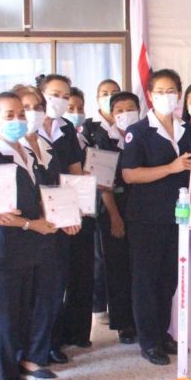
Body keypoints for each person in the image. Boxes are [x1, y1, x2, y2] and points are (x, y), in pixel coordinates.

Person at [0, 91, 57, 380]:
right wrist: (31, 224)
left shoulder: (24, 150)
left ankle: (15, 373)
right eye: (9, 116)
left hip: (29, 248)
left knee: (20, 315)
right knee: (4, 319)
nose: (17, 120)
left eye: (20, 114)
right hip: (4, 250)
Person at [120, 69, 191, 366]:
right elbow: (130, 174)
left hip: (178, 216)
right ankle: (149, 341)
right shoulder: (138, 131)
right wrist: (171, 168)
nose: (167, 96)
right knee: (146, 280)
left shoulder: (186, 129)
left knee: (169, 278)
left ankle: (163, 333)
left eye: (172, 91)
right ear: (150, 95)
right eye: (160, 91)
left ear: (179, 94)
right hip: (147, 217)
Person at [14, 84, 80, 380]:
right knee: (28, 298)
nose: (33, 113)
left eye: (37, 107)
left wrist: (70, 214)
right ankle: (25, 355)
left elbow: (60, 185)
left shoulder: (47, 145)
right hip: (26, 232)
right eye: (26, 108)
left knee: (51, 293)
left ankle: (39, 353)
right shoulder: (13, 147)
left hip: (54, 229)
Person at [33, 74, 85, 366]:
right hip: (36, 215)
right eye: (54, 94)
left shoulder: (66, 129)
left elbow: (75, 171)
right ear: (41, 94)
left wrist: (78, 206)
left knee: (57, 283)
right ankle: (34, 348)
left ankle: (53, 342)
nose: (60, 101)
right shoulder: (28, 127)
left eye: (66, 96)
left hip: (64, 213)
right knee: (38, 287)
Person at [90, 91, 140, 345]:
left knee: (140, 267)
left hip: (141, 207)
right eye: (119, 110)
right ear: (112, 114)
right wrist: (115, 217)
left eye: (130, 109)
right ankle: (124, 324)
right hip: (113, 207)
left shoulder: (143, 134)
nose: (125, 114)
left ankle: (142, 319)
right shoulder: (102, 138)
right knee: (117, 267)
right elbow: (103, 183)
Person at [56, 85, 97, 350]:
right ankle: (54, 339)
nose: (74, 111)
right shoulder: (37, 133)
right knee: (57, 279)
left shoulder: (74, 132)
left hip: (81, 210)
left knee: (82, 274)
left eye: (79, 107)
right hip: (54, 211)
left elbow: (78, 172)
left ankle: (79, 333)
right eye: (69, 106)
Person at [86, 79, 122, 320]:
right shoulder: (90, 129)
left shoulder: (129, 127)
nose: (109, 96)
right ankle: (99, 305)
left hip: (126, 198)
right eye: (104, 93)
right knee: (101, 255)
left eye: (114, 93)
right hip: (101, 199)